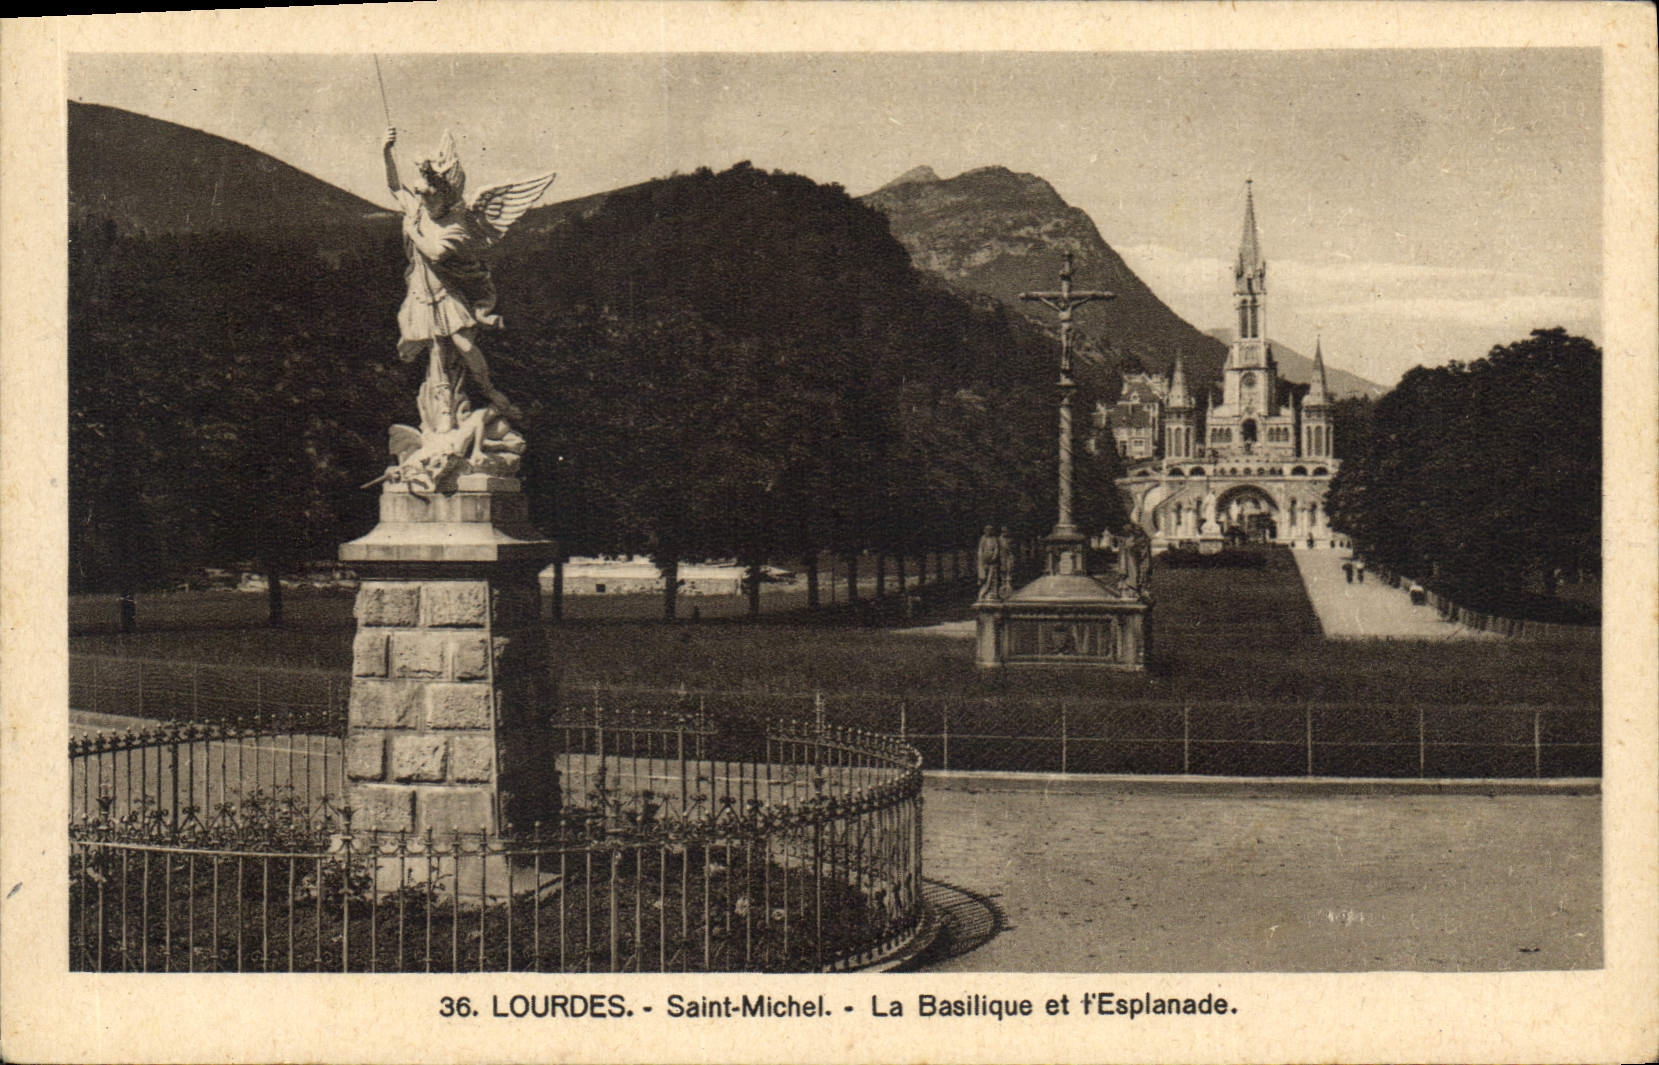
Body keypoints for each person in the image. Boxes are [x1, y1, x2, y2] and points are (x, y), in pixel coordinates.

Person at [383, 127, 555, 426]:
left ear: (445, 199)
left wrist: (411, 231)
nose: (424, 201)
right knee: (436, 350)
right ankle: (444, 409)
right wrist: (385, 151)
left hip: (448, 293)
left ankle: (488, 389)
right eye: (423, 196)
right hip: (422, 294)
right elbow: (396, 188)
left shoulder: (457, 227)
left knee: (464, 345)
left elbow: (436, 253)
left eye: (431, 198)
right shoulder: (420, 210)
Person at [976, 525, 1002, 600]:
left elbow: (996, 548)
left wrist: (994, 556)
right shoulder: (983, 539)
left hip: (993, 562)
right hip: (985, 561)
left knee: (993, 577)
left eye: (990, 530)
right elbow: (980, 550)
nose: (988, 531)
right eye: (987, 530)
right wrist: (982, 561)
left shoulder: (994, 539)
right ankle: (984, 593)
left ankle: (993, 593)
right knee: (985, 578)